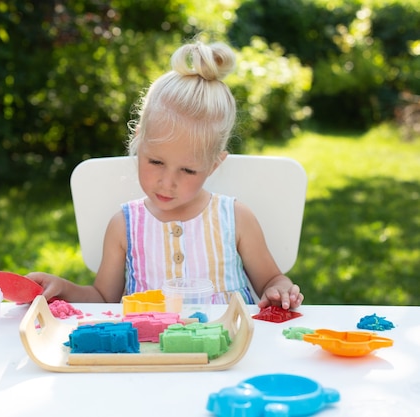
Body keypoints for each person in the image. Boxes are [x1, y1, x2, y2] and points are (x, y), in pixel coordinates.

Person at [27, 39, 304, 310]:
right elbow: (102, 299)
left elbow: (270, 279)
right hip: (150, 354)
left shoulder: (235, 218)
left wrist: (279, 288)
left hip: (229, 352)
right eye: (156, 161)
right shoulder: (124, 225)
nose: (167, 182)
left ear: (214, 165)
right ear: (139, 143)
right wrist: (62, 288)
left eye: (187, 170)